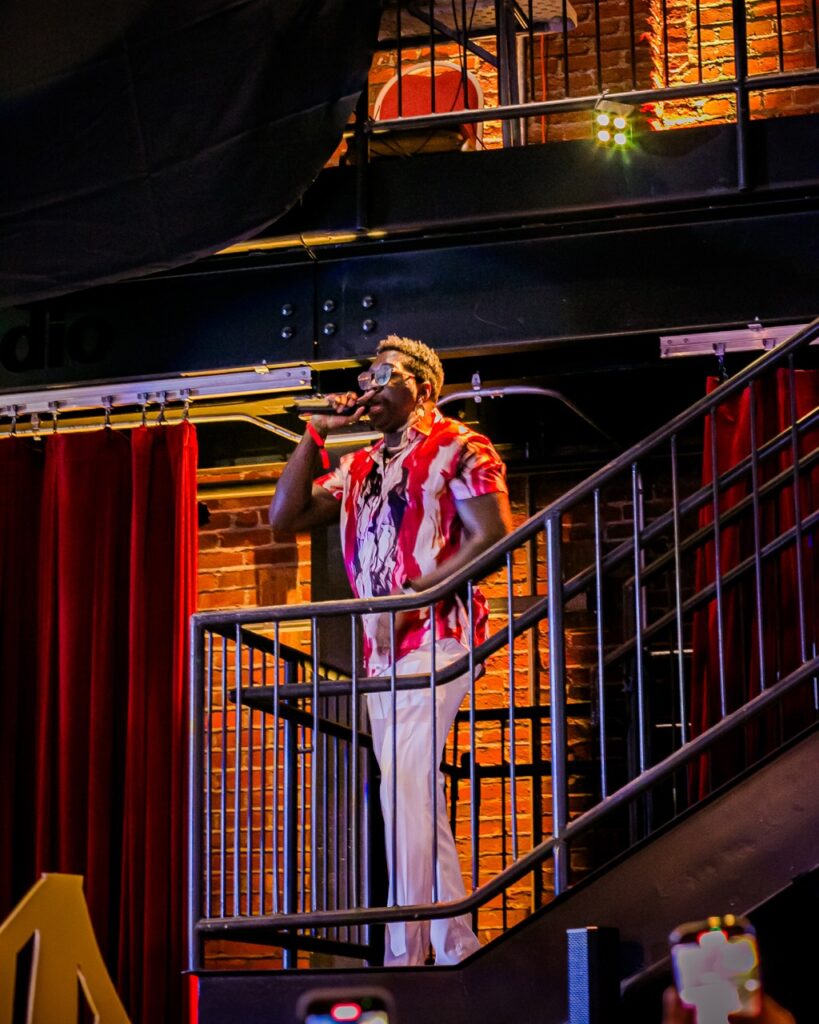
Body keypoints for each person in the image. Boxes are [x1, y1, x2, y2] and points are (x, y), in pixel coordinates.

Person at [269, 336, 511, 966]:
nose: (369, 387)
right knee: (406, 790)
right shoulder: (359, 466)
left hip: (439, 635)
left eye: (384, 376)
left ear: (422, 389)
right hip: (381, 653)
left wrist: (409, 597)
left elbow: (491, 537)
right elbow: (284, 516)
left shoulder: (461, 444)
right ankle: (454, 945)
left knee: (404, 783)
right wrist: (315, 434)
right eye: (366, 378)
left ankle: (406, 950)